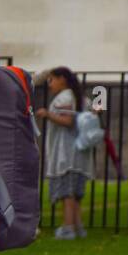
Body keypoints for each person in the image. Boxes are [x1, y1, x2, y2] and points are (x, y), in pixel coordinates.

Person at [35, 67, 94, 240]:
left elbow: (68, 120)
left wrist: (47, 114)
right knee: (75, 193)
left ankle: (68, 227)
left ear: (63, 79)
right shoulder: (81, 98)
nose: (50, 84)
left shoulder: (65, 97)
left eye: (52, 80)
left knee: (67, 192)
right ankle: (77, 226)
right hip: (78, 153)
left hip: (66, 153)